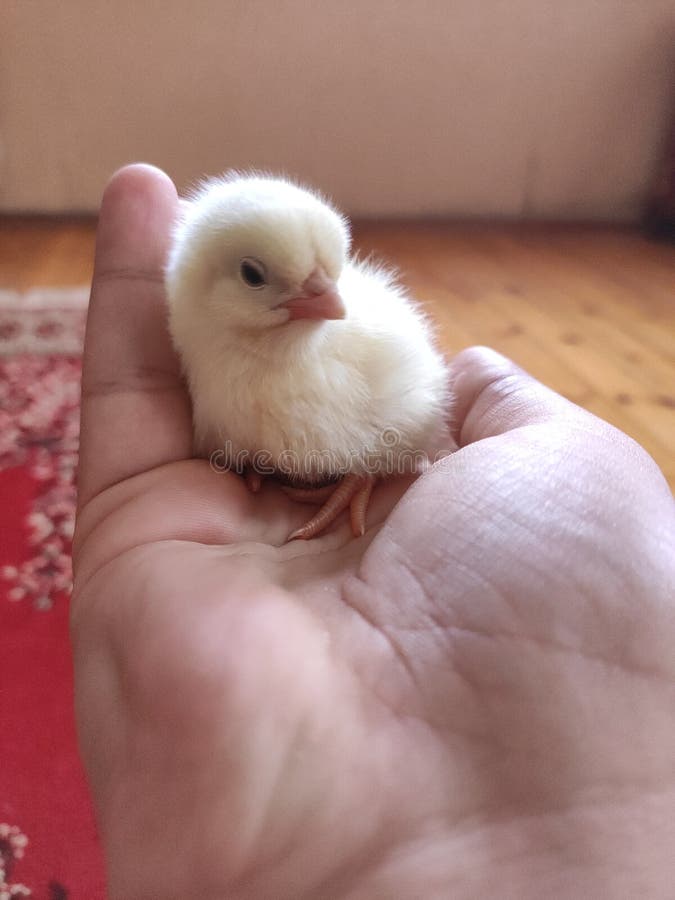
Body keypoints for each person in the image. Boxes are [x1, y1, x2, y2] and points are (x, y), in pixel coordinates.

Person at [72, 165, 675, 900]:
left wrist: (372, 468)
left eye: (327, 272)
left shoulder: (356, 340)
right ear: (203, 281)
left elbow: (415, 400)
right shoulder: (208, 351)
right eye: (268, 278)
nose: (328, 299)